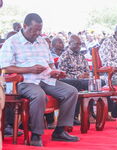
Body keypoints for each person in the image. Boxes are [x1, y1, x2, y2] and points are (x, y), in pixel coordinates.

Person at [0, 13, 79, 146]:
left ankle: (60, 131)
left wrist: (55, 71)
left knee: (71, 91)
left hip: (45, 79)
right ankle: (36, 134)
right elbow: (5, 68)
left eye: (40, 30)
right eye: (34, 30)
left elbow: (49, 63)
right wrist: (29, 69)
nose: (37, 33)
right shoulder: (12, 42)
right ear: (25, 26)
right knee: (39, 95)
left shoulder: (42, 41)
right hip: (25, 81)